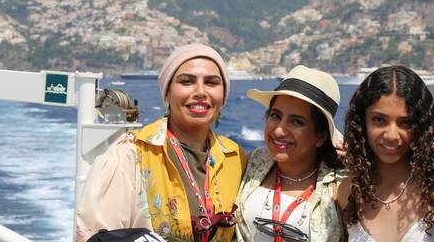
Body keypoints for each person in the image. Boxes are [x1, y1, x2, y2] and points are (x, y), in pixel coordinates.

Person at [77, 43, 248, 242]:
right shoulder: (130, 155)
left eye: (211, 83)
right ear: (167, 92)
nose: (201, 91)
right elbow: (97, 237)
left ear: (223, 95)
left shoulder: (235, 157)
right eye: (187, 81)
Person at [337, 66, 434, 242]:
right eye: (379, 120)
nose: (392, 135)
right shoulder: (348, 191)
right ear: (361, 122)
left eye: (405, 122)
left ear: (422, 124)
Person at [235, 65, 346, 242]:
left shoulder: (339, 185)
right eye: (275, 115)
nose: (279, 130)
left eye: (296, 121)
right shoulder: (253, 162)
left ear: (320, 137)